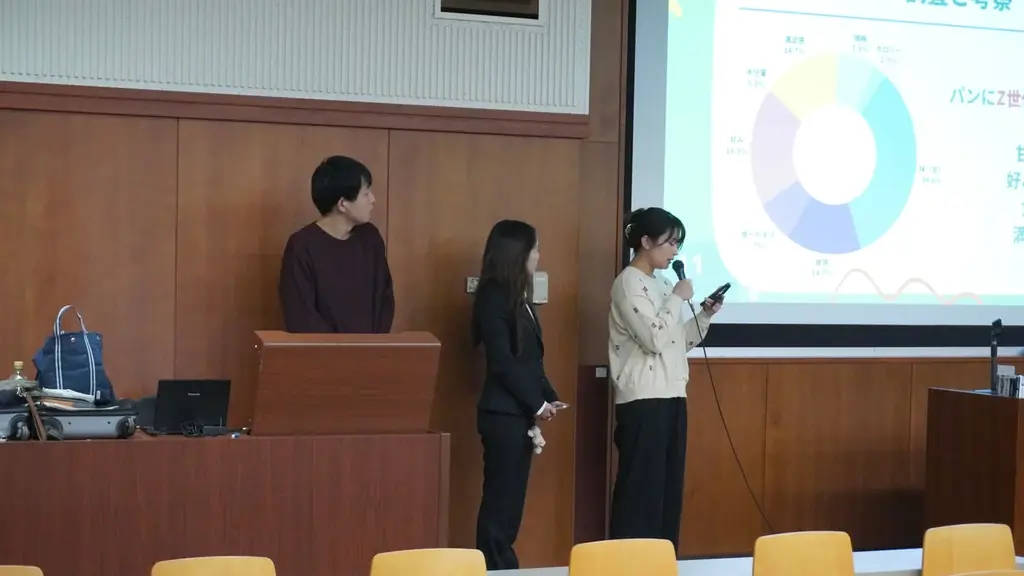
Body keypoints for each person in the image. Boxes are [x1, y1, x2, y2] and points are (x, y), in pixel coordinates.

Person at [607, 207, 723, 551]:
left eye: (678, 244)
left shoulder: (664, 283)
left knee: (667, 492)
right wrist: (676, 299)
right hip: (643, 400)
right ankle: (629, 564)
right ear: (645, 241)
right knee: (640, 492)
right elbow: (653, 338)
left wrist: (704, 314)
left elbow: (677, 341)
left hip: (672, 396)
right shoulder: (628, 283)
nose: (675, 251)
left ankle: (662, 559)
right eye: (670, 242)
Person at [472, 219, 564, 571]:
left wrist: (547, 395)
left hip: (517, 414)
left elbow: (529, 360)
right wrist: (536, 404)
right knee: (500, 504)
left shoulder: (518, 296)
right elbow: (503, 363)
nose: (539, 255)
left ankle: (502, 565)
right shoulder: (493, 295)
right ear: (516, 252)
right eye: (534, 249)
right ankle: (495, 566)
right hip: (502, 415)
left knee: (511, 505)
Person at [278, 155, 394, 334]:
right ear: (343, 204)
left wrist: (375, 343)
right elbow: (300, 315)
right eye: (365, 194)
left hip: (372, 348)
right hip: (321, 350)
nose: (373, 199)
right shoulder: (302, 246)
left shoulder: (370, 238)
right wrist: (338, 348)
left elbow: (385, 298)